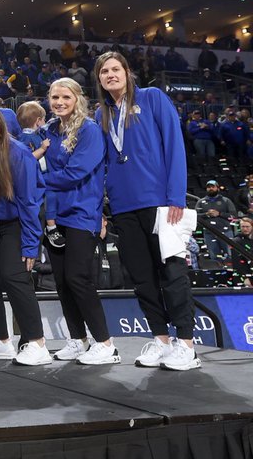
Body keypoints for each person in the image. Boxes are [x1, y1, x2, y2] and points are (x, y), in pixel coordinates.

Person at [95, 52, 199, 370]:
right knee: (142, 279)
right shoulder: (103, 115)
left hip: (160, 204)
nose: (110, 75)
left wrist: (175, 198)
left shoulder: (153, 98)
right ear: (98, 79)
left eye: (115, 69)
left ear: (128, 72)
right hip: (124, 208)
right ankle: (161, 340)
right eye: (104, 71)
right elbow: (104, 164)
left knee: (172, 273)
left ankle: (186, 344)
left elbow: (174, 145)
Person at [43, 78, 117, 365]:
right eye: (54, 97)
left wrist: (38, 181)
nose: (59, 102)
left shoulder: (89, 130)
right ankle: (78, 340)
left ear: (77, 99)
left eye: (65, 97)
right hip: (55, 215)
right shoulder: (50, 129)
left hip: (82, 213)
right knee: (61, 281)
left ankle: (105, 343)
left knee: (78, 278)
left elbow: (75, 173)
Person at [0, 105, 49, 365]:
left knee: (15, 278)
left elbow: (29, 203)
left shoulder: (19, 154)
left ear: (1, 127)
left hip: (17, 224)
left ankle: (37, 343)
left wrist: (30, 245)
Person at [196, 180, 237, 262]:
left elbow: (234, 216)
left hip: (225, 232)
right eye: (209, 187)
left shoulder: (226, 200)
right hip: (209, 233)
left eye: (213, 187)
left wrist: (219, 214)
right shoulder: (201, 202)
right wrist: (206, 214)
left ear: (218, 188)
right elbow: (195, 216)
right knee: (214, 256)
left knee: (230, 255)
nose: (211, 188)